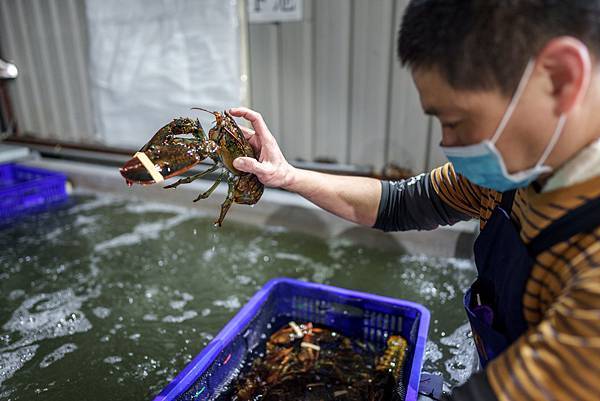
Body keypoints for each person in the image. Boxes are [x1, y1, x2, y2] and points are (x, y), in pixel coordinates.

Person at [229, 1, 600, 400]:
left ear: (561, 78)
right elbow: (402, 203)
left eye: (455, 121)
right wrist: (288, 176)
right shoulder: (519, 170)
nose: (447, 143)